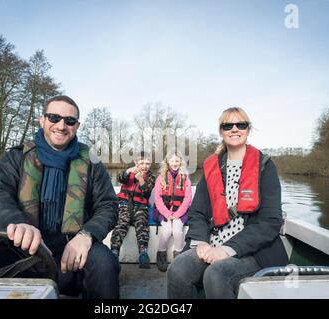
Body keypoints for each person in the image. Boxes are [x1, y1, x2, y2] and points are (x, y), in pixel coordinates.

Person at [0, 95, 120, 299]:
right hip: (17, 248)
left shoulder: (92, 163)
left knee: (105, 264)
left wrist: (86, 235)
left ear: (77, 126)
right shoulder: (16, 157)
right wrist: (17, 223)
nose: (61, 126)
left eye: (69, 121)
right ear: (42, 120)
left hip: (70, 250)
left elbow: (108, 205)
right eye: (54, 118)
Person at [167, 107, 288, 299]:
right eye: (227, 125)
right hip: (211, 244)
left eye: (240, 124)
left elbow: (270, 221)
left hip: (252, 250)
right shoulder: (211, 167)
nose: (234, 129)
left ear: (248, 130)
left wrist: (227, 249)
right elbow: (197, 213)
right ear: (221, 132)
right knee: (178, 269)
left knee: (216, 273)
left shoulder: (266, 166)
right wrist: (201, 243)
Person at [110, 152, 156, 269]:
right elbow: (121, 178)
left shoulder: (151, 177)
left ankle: (143, 253)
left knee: (142, 226)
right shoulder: (129, 172)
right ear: (136, 163)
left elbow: (147, 191)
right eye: (141, 163)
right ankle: (114, 253)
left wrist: (140, 179)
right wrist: (128, 172)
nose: (144, 166)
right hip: (125, 205)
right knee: (121, 224)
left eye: (147, 163)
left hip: (141, 207)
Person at [153, 151, 192, 272]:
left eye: (177, 161)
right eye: (172, 161)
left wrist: (177, 214)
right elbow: (158, 198)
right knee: (166, 230)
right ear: (167, 162)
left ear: (181, 162)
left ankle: (178, 256)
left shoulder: (185, 178)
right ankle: (161, 254)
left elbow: (187, 198)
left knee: (177, 231)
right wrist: (167, 213)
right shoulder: (161, 177)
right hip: (163, 211)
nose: (174, 163)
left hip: (180, 211)